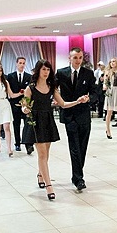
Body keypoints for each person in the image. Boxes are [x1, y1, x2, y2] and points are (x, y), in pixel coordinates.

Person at [22, 59, 89, 200]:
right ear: (38, 70)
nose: (46, 72)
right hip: (35, 122)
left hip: (48, 121)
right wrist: (25, 109)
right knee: (42, 154)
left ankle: (40, 175)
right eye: (43, 69)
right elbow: (25, 105)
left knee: (46, 154)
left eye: (48, 70)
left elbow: (63, 104)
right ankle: (49, 186)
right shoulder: (30, 88)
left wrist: (77, 101)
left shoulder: (51, 87)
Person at [56, 47, 97, 191]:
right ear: (69, 58)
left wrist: (88, 98)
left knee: (82, 147)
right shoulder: (61, 73)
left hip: (84, 115)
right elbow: (52, 88)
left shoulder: (88, 73)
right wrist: (56, 100)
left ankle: (76, 176)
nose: (78, 60)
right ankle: (79, 178)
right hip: (69, 115)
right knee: (74, 147)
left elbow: (95, 93)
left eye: (80, 57)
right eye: (75, 57)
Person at [0, 63, 18, 155]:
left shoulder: (6, 82)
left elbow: (11, 95)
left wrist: (20, 93)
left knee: (7, 126)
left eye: (0, 71)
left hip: (5, 104)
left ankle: (9, 148)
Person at [7, 57, 34, 154]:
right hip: (14, 104)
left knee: (27, 125)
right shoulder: (10, 76)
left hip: (26, 104)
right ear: (16, 64)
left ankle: (28, 144)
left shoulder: (29, 76)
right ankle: (17, 143)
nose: (22, 65)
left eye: (23, 63)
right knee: (16, 124)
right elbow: (9, 90)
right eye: (20, 63)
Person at [102, 58, 117, 141]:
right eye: (111, 62)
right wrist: (105, 87)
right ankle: (108, 130)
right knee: (109, 111)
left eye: (114, 61)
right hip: (111, 91)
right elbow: (105, 82)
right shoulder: (108, 72)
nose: (112, 63)